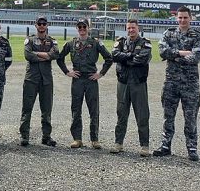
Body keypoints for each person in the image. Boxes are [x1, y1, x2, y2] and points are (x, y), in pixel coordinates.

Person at [154, 6, 200, 161]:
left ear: (190, 18)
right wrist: (182, 53)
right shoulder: (168, 33)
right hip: (171, 83)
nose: (182, 20)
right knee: (168, 116)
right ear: (176, 18)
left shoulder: (197, 36)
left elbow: (195, 57)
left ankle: (192, 148)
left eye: (185, 17)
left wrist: (173, 55)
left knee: (190, 118)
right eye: (180, 17)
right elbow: (162, 52)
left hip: (190, 84)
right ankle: (165, 146)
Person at [56, 18, 113, 149]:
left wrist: (101, 73)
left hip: (91, 79)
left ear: (88, 28)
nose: (82, 29)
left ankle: (94, 139)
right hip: (77, 79)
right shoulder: (71, 43)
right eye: (79, 27)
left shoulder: (96, 43)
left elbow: (109, 58)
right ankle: (77, 138)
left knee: (94, 110)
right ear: (77, 28)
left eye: (84, 27)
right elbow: (59, 58)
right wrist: (67, 72)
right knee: (76, 109)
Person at [110, 19, 153, 156]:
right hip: (123, 83)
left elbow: (142, 59)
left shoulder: (145, 42)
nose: (131, 30)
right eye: (128, 28)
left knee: (142, 115)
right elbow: (115, 55)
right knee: (121, 114)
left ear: (138, 28)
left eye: (133, 28)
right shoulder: (121, 41)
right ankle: (118, 143)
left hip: (138, 84)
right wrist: (131, 56)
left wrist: (125, 59)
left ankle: (144, 146)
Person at [19, 16, 60, 146]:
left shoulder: (52, 41)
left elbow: (55, 54)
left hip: (46, 80)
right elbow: (28, 55)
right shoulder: (30, 40)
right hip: (31, 79)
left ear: (47, 25)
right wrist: (45, 56)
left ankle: (46, 136)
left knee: (47, 109)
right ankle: (24, 136)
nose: (42, 26)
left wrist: (37, 54)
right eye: (39, 23)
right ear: (35, 25)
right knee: (27, 108)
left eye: (44, 23)